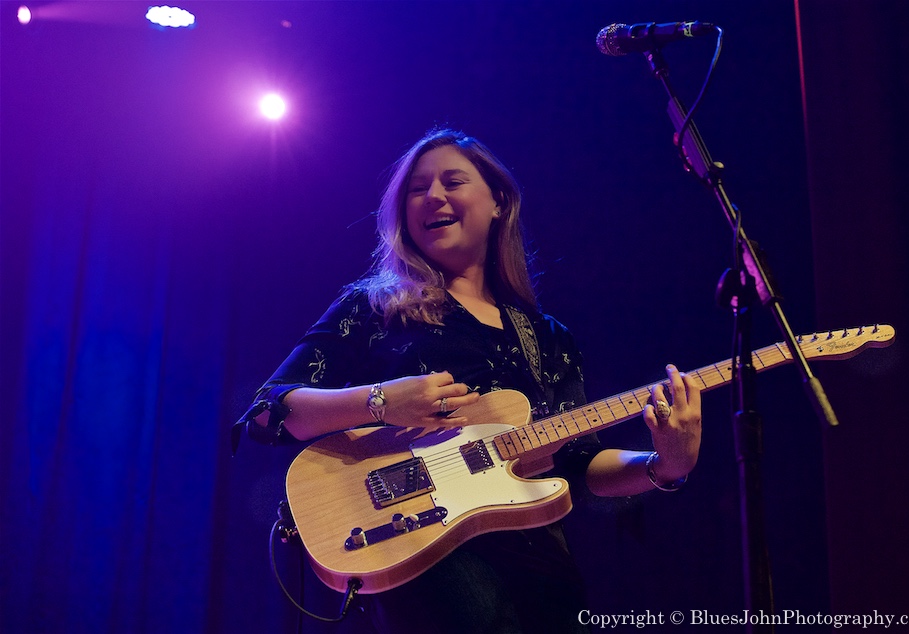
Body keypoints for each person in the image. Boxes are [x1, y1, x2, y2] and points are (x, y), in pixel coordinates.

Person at [237, 128, 702, 633]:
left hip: (543, 574)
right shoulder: (373, 307)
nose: (433, 196)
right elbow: (268, 411)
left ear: (499, 201)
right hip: (427, 560)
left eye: (452, 181)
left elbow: (579, 463)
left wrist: (665, 463)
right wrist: (380, 402)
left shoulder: (549, 337)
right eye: (417, 188)